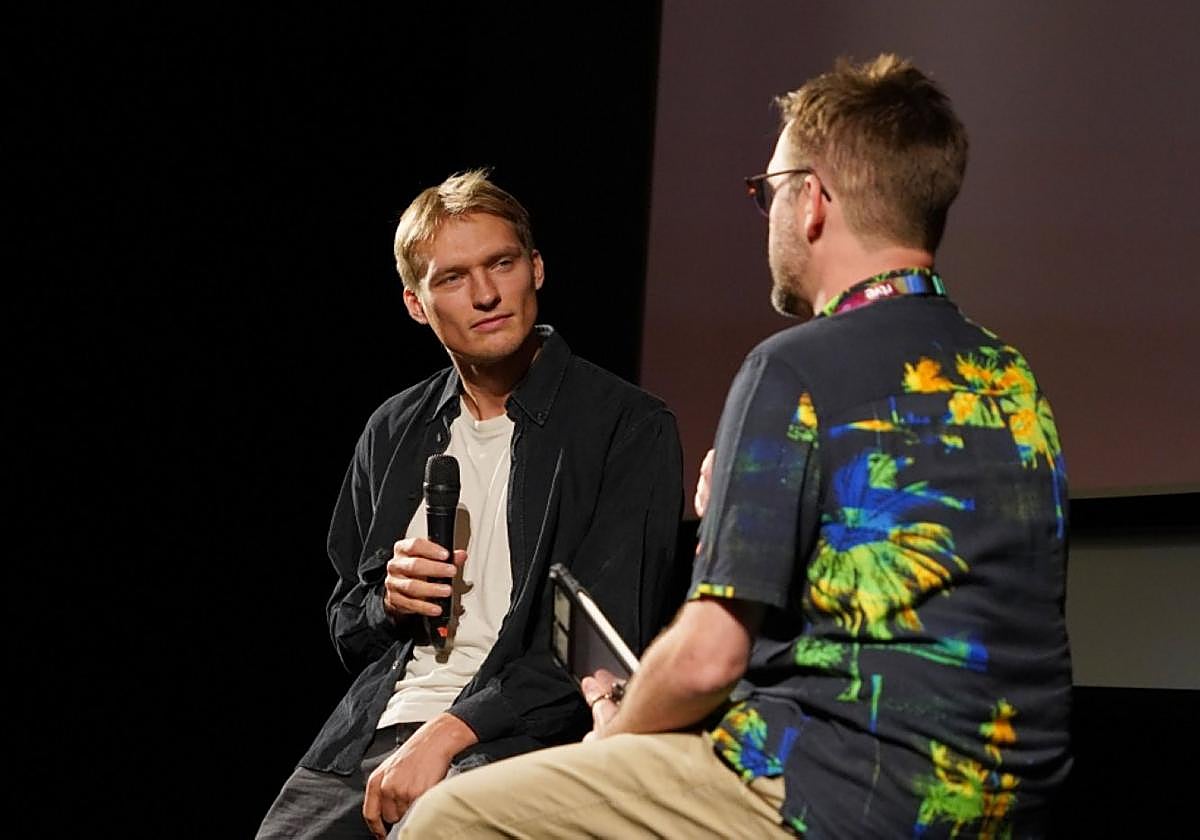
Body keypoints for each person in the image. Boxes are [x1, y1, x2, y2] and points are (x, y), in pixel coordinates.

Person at [398, 53, 1073, 837]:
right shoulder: (1011, 377)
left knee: (448, 817)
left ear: (813, 201)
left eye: (769, 193)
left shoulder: (793, 366)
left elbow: (709, 660)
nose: (769, 216)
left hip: (835, 786)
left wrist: (617, 733)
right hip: (1004, 796)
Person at [256, 169, 684, 839]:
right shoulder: (394, 429)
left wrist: (448, 734)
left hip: (519, 733)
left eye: (502, 263)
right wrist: (386, 603)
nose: (486, 294)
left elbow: (603, 646)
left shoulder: (627, 426)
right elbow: (346, 625)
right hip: (373, 730)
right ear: (416, 305)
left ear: (535, 268)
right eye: (453, 278)